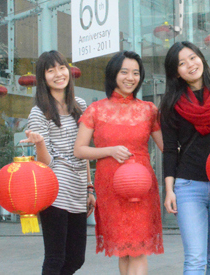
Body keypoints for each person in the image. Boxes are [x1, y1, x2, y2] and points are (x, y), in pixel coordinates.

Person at [74, 51, 164, 275]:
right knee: (123, 251)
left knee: (139, 250)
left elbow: (167, 147)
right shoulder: (96, 109)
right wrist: (110, 151)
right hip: (110, 188)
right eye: (124, 72)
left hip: (141, 188)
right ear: (113, 74)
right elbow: (79, 150)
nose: (130, 77)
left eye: (135, 73)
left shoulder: (149, 110)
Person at [159, 41, 210, 275]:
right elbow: (170, 150)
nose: (190, 65)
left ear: (201, 59)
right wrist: (170, 190)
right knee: (195, 259)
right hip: (188, 186)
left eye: (193, 58)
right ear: (176, 72)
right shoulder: (170, 103)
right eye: (181, 63)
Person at [21, 50, 95, 274]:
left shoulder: (79, 105)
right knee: (55, 257)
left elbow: (83, 151)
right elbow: (46, 163)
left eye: (61, 68)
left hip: (78, 187)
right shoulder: (38, 112)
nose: (58, 74)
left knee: (76, 258)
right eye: (50, 70)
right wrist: (40, 143)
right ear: (43, 78)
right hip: (55, 189)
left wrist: (90, 187)